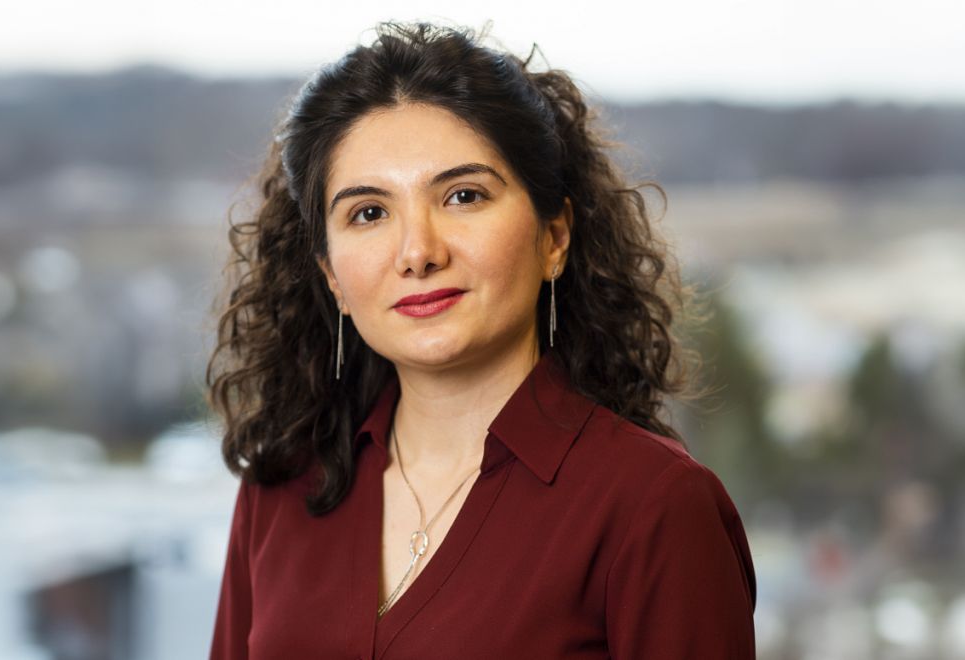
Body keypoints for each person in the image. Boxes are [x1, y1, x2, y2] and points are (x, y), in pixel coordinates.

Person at [205, 21, 756, 659]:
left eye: (463, 196)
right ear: (330, 275)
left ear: (554, 237)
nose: (417, 252)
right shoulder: (281, 486)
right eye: (369, 213)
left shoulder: (654, 507)